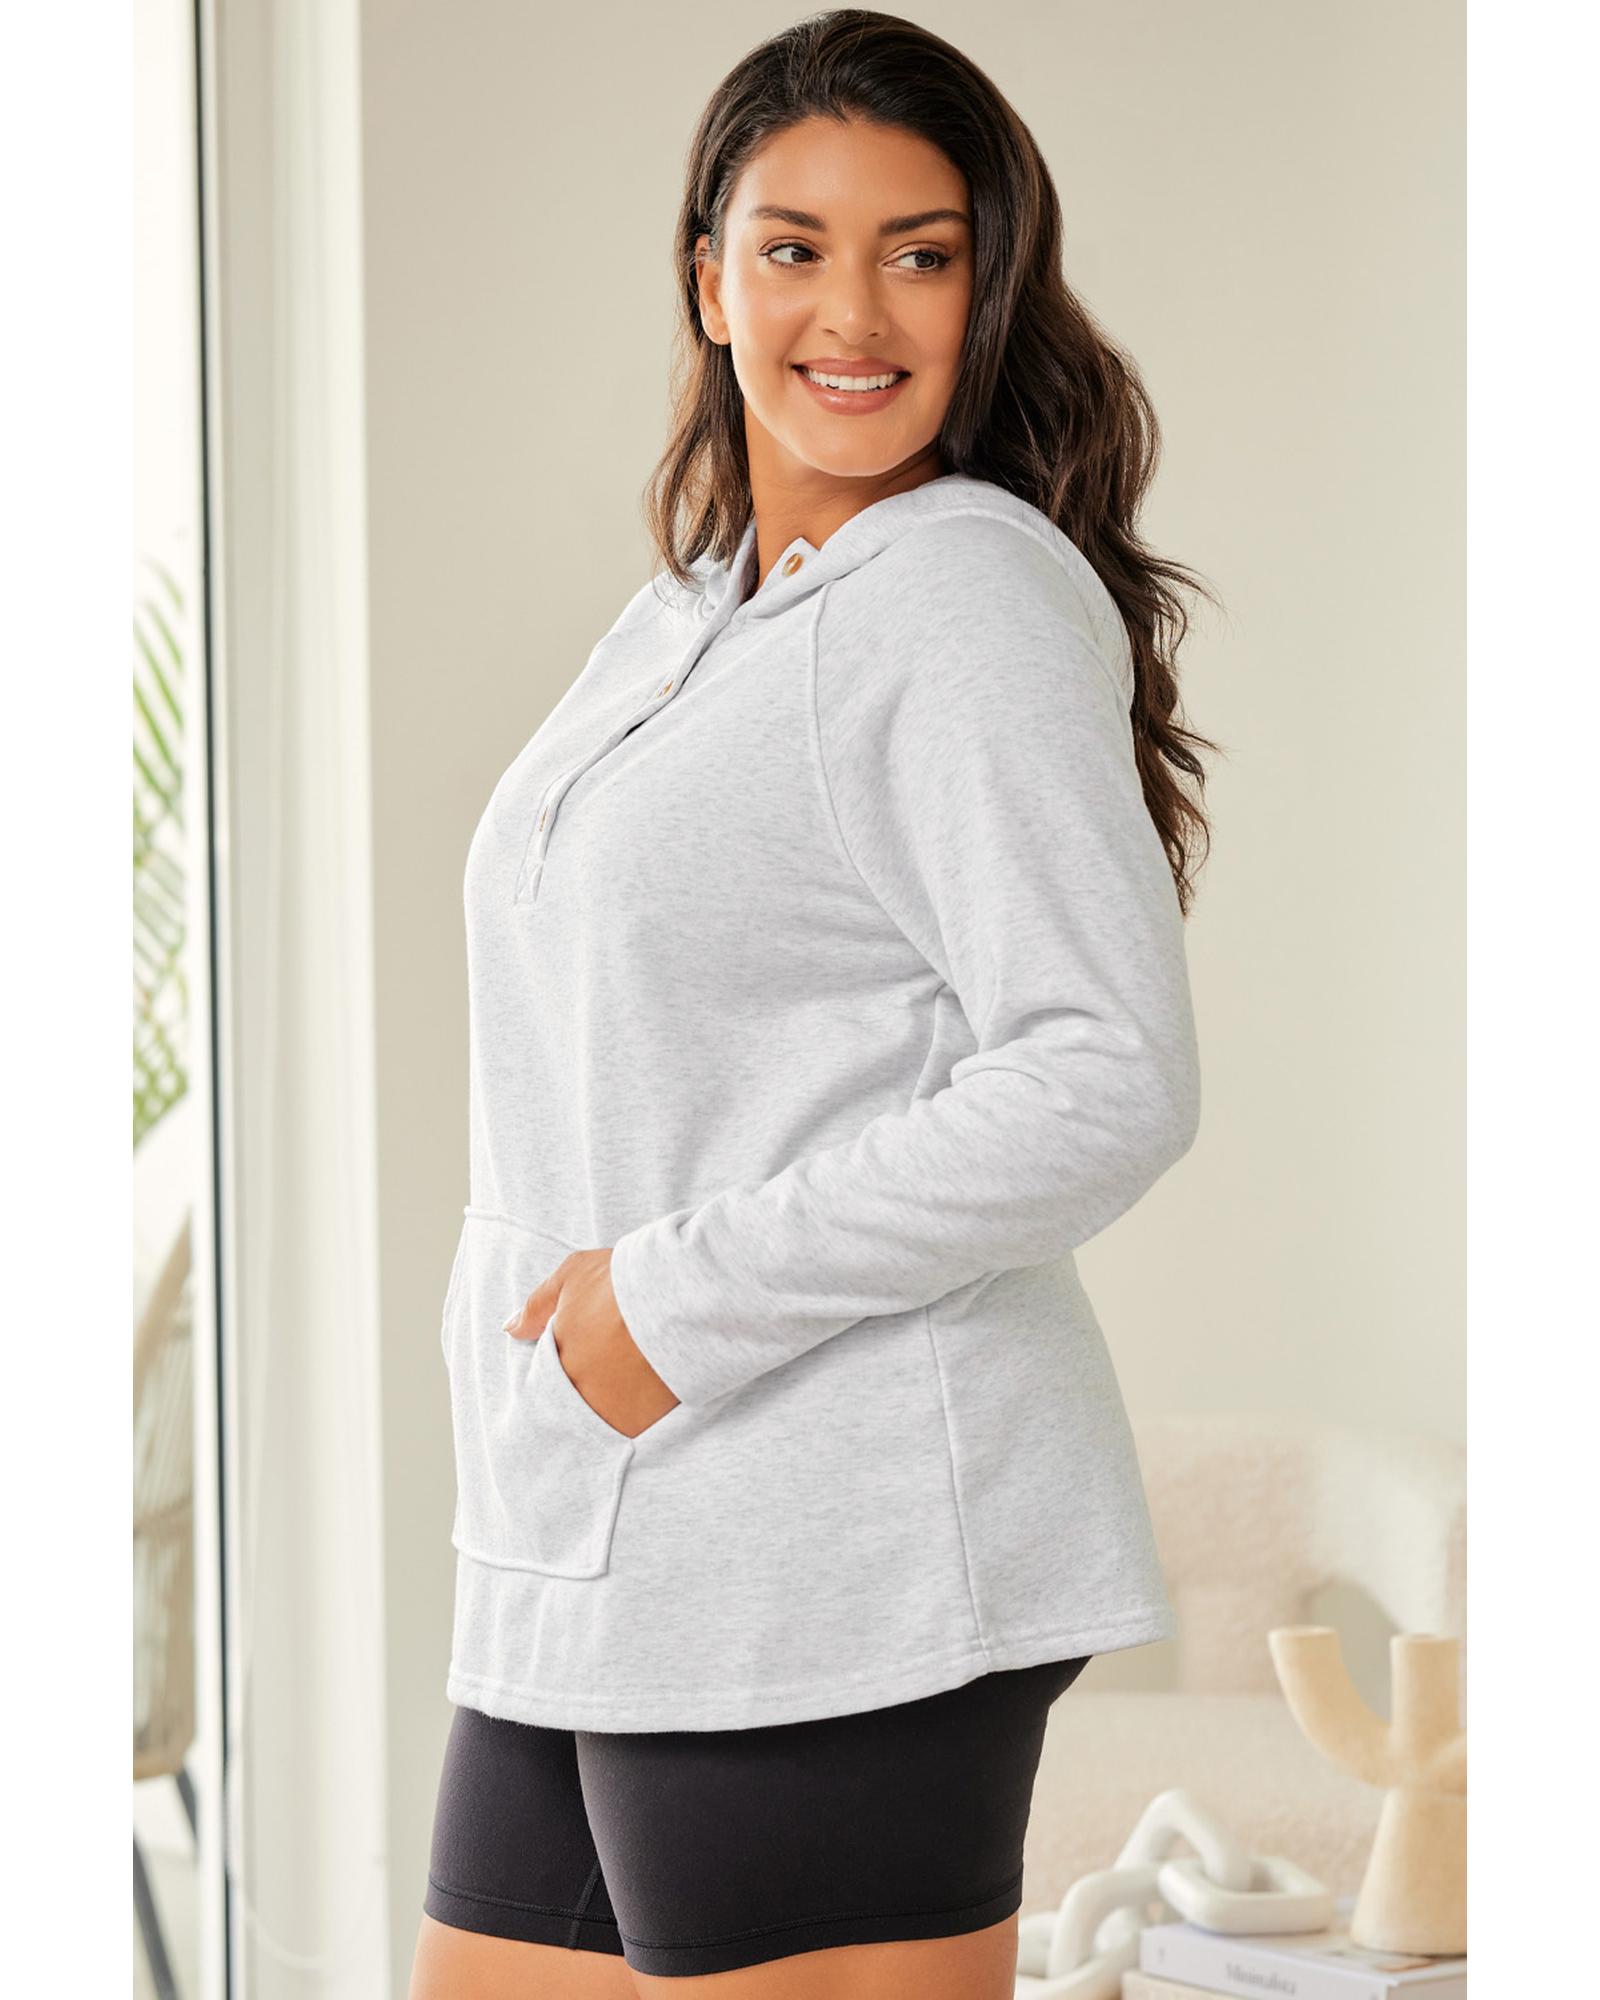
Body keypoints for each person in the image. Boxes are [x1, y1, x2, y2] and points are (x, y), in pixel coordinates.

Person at [411, 9, 1219, 1996]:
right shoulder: (699, 606)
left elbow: (1105, 1071)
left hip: (833, 1545)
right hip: (592, 1527)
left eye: (918, 254)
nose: (851, 314)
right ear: (708, 278)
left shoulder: (957, 595)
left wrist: (662, 1305)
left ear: (986, 288)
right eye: (793, 248)